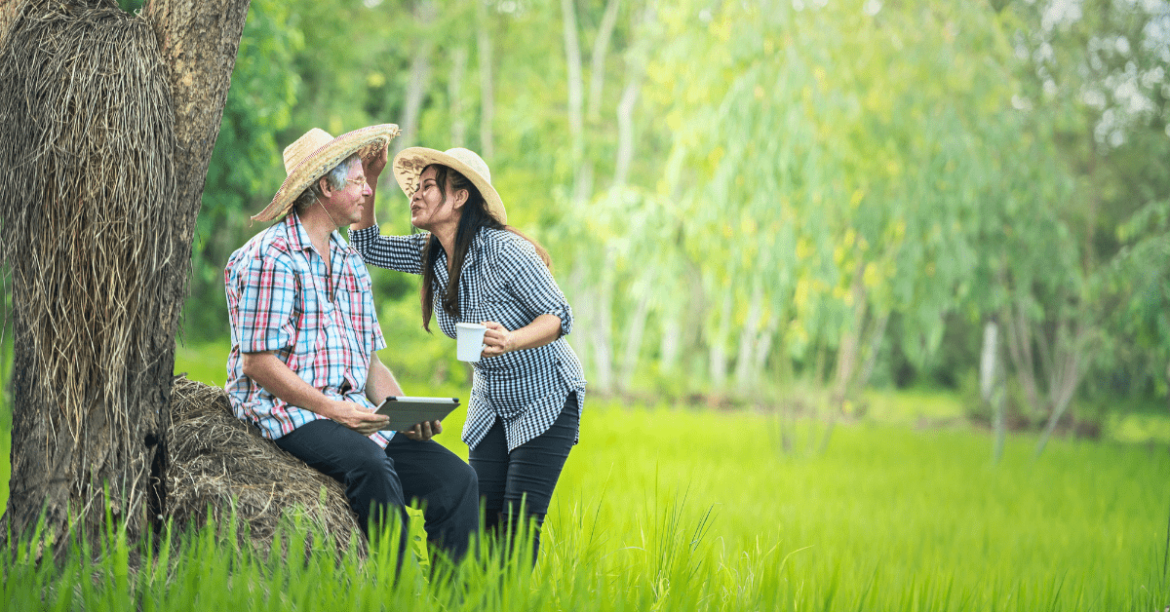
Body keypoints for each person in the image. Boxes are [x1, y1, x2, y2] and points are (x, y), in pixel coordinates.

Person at [223, 125, 479, 564]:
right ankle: (393, 595)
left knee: (456, 480)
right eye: (359, 181)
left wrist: (403, 410)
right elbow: (258, 363)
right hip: (288, 412)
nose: (367, 192)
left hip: (347, 412)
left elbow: (369, 362)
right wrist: (333, 408)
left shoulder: (347, 260)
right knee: (371, 468)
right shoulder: (273, 256)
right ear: (326, 187)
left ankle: (453, 602)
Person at [349, 145, 586, 562]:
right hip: (492, 400)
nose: (415, 196)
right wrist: (369, 178)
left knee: (516, 531)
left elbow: (559, 315)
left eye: (427, 187)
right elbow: (367, 247)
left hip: (545, 397)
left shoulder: (503, 251)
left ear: (459, 197)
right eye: (414, 188)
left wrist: (512, 339)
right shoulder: (432, 255)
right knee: (477, 521)